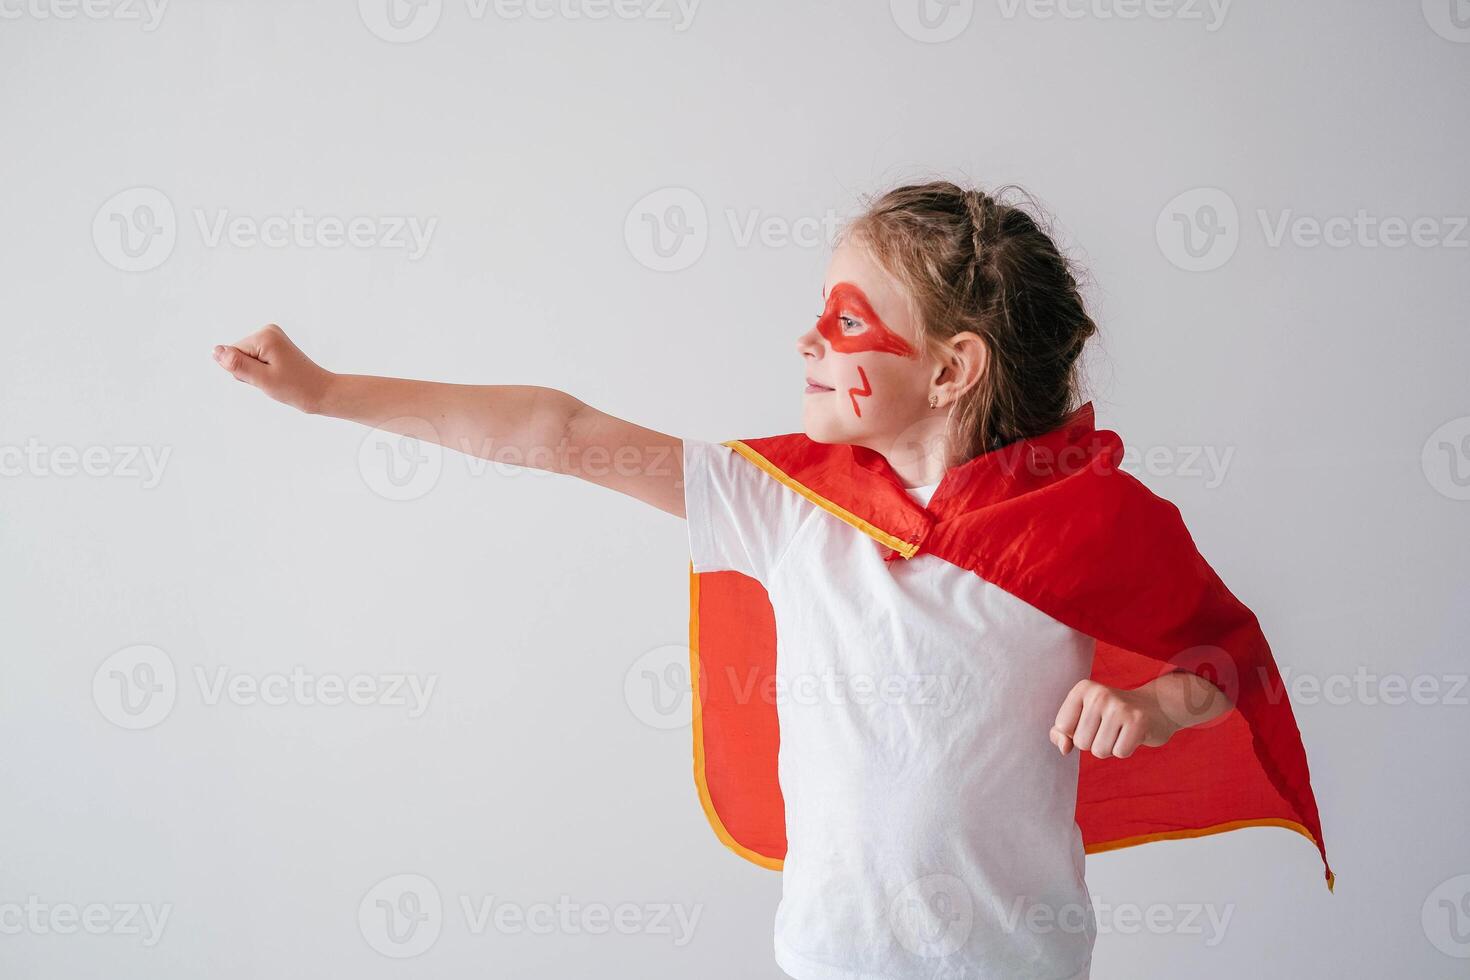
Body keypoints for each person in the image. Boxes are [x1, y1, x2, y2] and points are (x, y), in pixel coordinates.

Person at [213, 180, 1329, 979]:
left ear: (952, 368)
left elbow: (1224, 655)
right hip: (825, 958)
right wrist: (329, 393)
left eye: (847, 319)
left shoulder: (1089, 523)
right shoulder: (790, 506)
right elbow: (558, 430)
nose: (808, 336)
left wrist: (1150, 701)